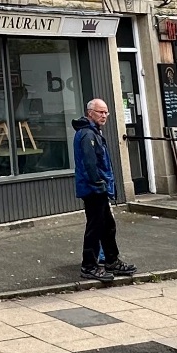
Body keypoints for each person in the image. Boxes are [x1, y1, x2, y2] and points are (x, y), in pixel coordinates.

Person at [73, 99, 135, 282]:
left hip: (99, 187)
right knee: (96, 227)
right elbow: (90, 164)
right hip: (93, 189)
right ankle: (89, 266)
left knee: (107, 226)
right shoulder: (87, 135)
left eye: (106, 112)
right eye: (101, 112)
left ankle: (111, 260)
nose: (104, 116)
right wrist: (99, 184)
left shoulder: (93, 133)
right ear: (90, 112)